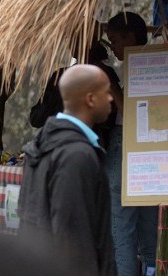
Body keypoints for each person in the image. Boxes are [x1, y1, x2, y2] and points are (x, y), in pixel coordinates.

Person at [17, 64, 116, 275]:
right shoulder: (76, 156)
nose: (111, 99)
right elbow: (75, 240)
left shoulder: (43, 147)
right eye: (106, 92)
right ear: (90, 99)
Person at [106, 12, 157, 276]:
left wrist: (113, 90)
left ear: (130, 37)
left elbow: (133, 115)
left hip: (125, 150)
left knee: (123, 237)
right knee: (150, 238)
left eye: (114, 40)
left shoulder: (134, 67)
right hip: (152, 159)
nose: (112, 48)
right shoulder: (158, 65)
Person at [29, 31, 122, 148]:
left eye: (73, 40)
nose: (69, 45)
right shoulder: (106, 73)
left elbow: (37, 118)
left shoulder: (61, 76)